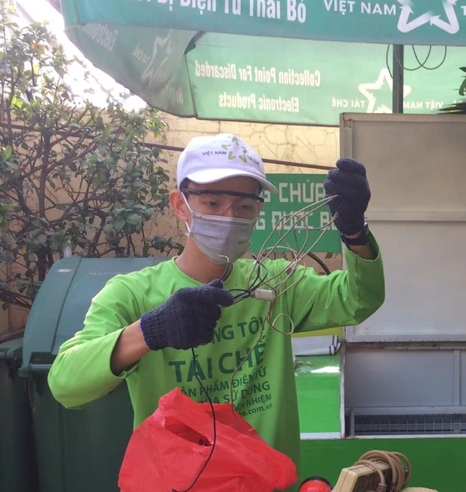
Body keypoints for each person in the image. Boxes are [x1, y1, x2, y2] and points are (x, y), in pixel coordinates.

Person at [48, 133, 384, 472]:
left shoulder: (275, 283)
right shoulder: (132, 294)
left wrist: (354, 232)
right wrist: (151, 330)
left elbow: (357, 300)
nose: (229, 216)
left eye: (244, 206)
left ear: (258, 210)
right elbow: (65, 384)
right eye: (212, 203)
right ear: (180, 204)